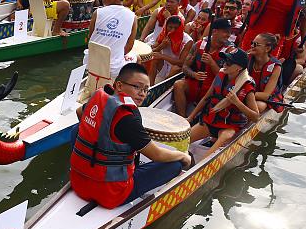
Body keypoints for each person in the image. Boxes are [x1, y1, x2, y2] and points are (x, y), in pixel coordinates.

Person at [70, 62, 191, 210]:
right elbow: (157, 154)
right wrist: (183, 156)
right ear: (119, 85)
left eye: (146, 89)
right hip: (111, 194)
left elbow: (79, 113)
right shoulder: (127, 118)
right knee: (175, 164)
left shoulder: (100, 97)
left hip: (78, 183)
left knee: (78, 128)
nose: (142, 93)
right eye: (137, 87)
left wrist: (99, 136)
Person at [187, 48, 260, 158]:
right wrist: (190, 117)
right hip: (210, 121)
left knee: (214, 149)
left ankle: (202, 164)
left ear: (239, 68)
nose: (225, 64)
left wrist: (237, 102)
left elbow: (256, 117)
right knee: (183, 141)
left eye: (229, 63)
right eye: (224, 61)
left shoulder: (247, 86)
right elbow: (207, 97)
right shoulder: (220, 75)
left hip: (229, 127)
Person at [172, 18, 231, 116]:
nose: (228, 35)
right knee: (178, 85)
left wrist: (212, 63)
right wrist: (194, 75)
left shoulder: (229, 51)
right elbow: (185, 67)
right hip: (196, 83)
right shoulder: (198, 45)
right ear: (215, 31)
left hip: (213, 88)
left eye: (229, 32)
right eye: (225, 32)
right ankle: (182, 119)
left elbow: (226, 78)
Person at [85, 0, 138, 78]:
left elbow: (90, 37)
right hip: (114, 69)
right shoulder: (133, 17)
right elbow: (129, 47)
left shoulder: (97, 12)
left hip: (91, 64)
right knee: (137, 57)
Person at [144, 14, 194, 83]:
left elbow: (181, 62)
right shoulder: (164, 34)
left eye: (176, 28)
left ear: (180, 28)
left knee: (175, 68)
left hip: (176, 67)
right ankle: (151, 86)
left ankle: (163, 85)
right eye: (170, 27)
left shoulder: (188, 41)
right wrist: (162, 46)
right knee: (153, 59)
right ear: (166, 26)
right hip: (164, 63)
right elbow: (154, 50)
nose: (172, 30)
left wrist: (162, 56)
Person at [248, 32, 284, 110]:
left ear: (267, 49)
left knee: (259, 106)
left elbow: (266, 95)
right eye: (252, 43)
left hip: (261, 98)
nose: (251, 46)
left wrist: (244, 94)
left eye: (255, 44)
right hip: (246, 94)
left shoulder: (276, 67)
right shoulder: (246, 58)